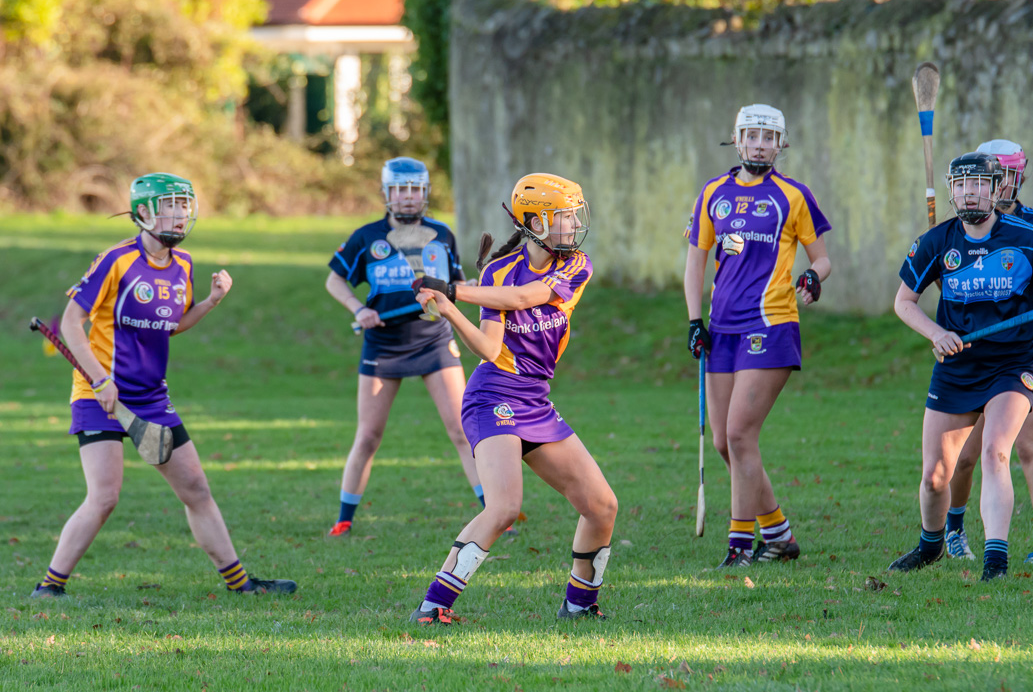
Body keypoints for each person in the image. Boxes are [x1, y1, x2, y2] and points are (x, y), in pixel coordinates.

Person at [31, 173, 296, 598]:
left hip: (152, 398)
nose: (179, 214)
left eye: (183, 205)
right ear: (143, 212)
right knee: (104, 496)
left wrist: (209, 303)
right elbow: (69, 323)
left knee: (197, 489)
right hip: (99, 395)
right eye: (169, 205)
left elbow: (170, 326)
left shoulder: (183, 265)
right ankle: (49, 587)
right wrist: (99, 379)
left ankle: (241, 584)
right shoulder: (115, 260)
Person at [408, 172, 616, 623]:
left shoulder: (576, 265)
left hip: (535, 400)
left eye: (573, 216)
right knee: (504, 507)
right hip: (493, 396)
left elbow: (525, 297)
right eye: (562, 218)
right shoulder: (498, 272)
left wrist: (452, 291)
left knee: (602, 507)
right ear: (534, 222)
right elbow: (488, 349)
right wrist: (450, 312)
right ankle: (432, 607)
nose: (572, 225)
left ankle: (579, 607)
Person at [888, 152, 1033, 582]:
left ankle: (996, 559)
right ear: (952, 191)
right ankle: (931, 545)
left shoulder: (1028, 237)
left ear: (995, 190)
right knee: (936, 477)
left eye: (978, 184)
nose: (969, 192)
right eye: (961, 185)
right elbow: (903, 302)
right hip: (957, 366)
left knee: (995, 452)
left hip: (1012, 364)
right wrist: (936, 334)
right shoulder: (937, 241)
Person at [683, 104, 832, 569]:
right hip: (722, 329)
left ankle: (739, 544)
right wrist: (694, 321)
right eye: (752, 135)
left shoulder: (793, 195)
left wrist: (812, 278)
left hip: (770, 325)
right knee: (727, 444)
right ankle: (780, 535)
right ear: (738, 138)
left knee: (740, 433)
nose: (761, 143)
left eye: (770, 136)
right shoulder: (713, 193)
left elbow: (823, 259)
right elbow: (695, 263)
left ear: (781, 143)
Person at [325, 157, 498, 537]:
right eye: (400, 190)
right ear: (388, 194)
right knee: (368, 435)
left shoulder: (442, 234)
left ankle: (494, 512)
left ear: (424, 194)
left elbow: (456, 283)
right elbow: (334, 281)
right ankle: (344, 518)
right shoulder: (367, 237)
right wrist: (358, 308)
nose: (407, 198)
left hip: (434, 340)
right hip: (383, 344)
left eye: (414, 190)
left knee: (460, 428)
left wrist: (474, 286)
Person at [943, 140, 1033, 565]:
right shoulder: (961, 227)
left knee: (1025, 444)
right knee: (966, 454)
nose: (996, 184)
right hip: (975, 355)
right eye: (990, 176)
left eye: (1004, 175)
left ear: (1015, 177)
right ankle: (952, 532)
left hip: (1031, 350)